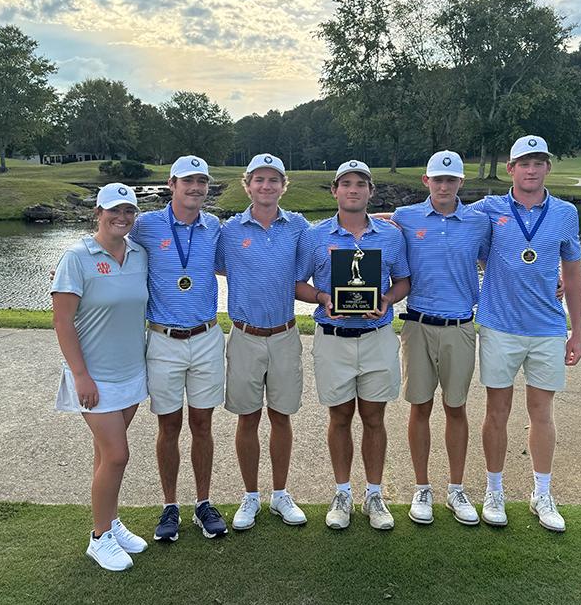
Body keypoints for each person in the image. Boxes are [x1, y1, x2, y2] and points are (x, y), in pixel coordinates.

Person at [473, 135, 581, 533]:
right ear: (511, 168)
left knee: (542, 413)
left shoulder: (566, 213)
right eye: (524, 162)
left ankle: (541, 493)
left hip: (548, 328)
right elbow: (438, 216)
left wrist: (577, 331)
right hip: (500, 327)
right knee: (497, 412)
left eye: (539, 162)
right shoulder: (489, 209)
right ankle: (495, 490)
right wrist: (366, 219)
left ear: (548, 168)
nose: (531, 169)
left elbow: (572, 274)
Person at [295, 160, 411, 531]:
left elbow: (404, 281)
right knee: (340, 417)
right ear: (335, 190)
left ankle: (374, 494)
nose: (353, 189)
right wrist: (323, 298)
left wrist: (388, 299)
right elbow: (298, 284)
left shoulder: (391, 236)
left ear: (370, 192)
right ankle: (343, 492)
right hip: (333, 338)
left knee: (374, 418)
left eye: (361, 183)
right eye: (346, 183)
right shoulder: (315, 236)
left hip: (377, 336)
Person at [51, 182, 150, 571]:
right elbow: (62, 322)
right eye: (114, 210)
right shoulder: (77, 257)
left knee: (104, 454)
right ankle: (98, 537)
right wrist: (80, 375)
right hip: (95, 378)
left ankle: (110, 522)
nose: (122, 217)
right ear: (98, 213)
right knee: (118, 455)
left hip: (131, 372)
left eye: (129, 211)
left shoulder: (139, 254)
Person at [129, 155, 227, 542]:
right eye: (188, 181)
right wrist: (72, 265)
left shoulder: (214, 226)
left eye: (202, 181)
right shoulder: (146, 226)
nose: (196, 188)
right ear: (172, 184)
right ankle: (170, 506)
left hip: (205, 337)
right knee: (168, 425)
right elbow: (108, 240)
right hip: (164, 340)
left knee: (202, 424)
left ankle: (203, 503)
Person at [392, 151, 490, 526]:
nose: (444, 186)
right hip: (417, 326)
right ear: (426, 182)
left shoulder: (479, 223)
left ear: (461, 183)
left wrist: (552, 281)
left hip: (461, 327)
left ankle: (456, 488)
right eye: (438, 180)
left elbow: (501, 261)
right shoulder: (406, 218)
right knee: (419, 406)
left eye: (451, 180)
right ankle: (422, 488)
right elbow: (371, 229)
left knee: (456, 408)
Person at [217, 153, 311, 531]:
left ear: (283, 186)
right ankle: (250, 495)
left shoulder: (299, 227)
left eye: (274, 180)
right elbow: (209, 263)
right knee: (247, 417)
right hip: (244, 336)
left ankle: (280, 494)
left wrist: (323, 297)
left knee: (281, 416)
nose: (266, 186)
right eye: (259, 179)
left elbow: (304, 277)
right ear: (248, 184)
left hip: (285, 334)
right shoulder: (228, 230)